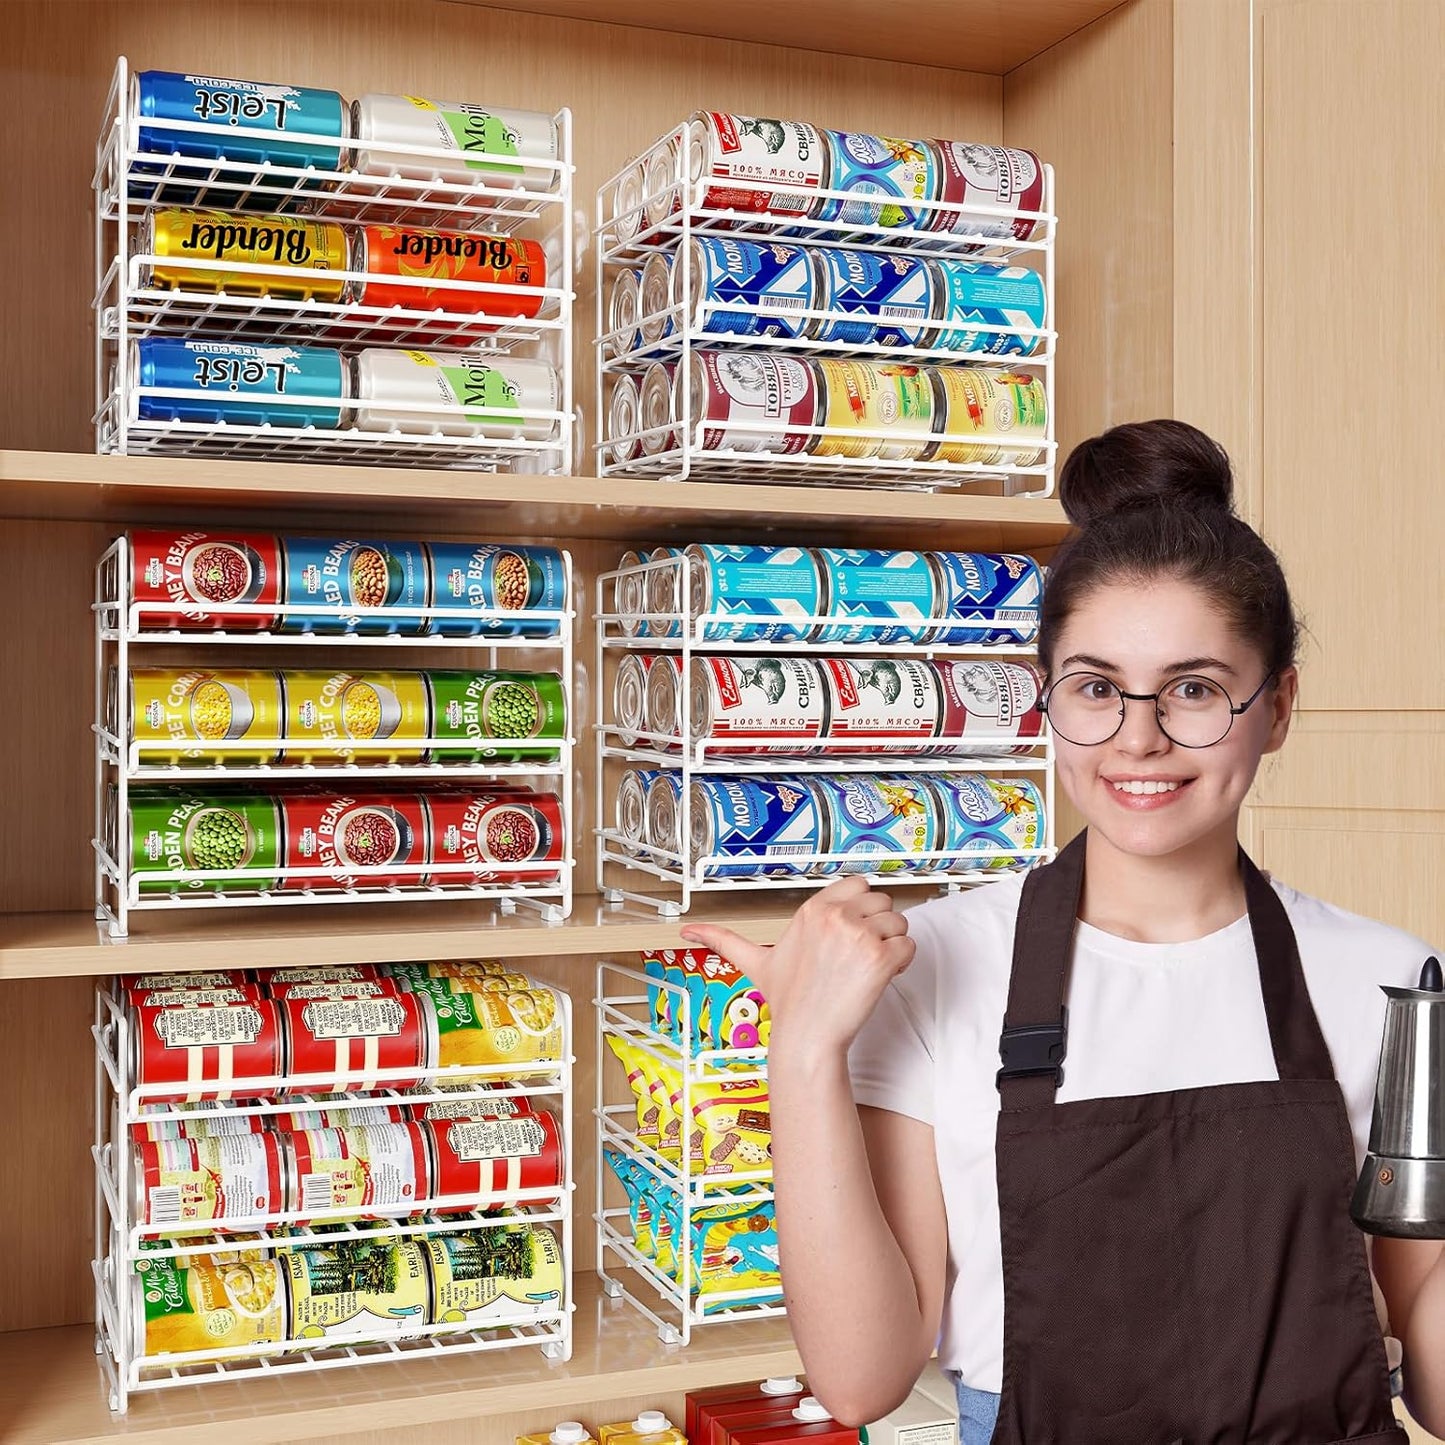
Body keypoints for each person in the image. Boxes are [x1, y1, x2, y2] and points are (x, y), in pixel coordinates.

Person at [681, 420, 1445, 1444]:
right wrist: (803, 1048)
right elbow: (859, 1379)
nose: (1137, 736)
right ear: (1047, 702)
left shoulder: (1387, 980)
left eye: (1194, 689)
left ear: (1277, 706)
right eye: (1094, 687)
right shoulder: (937, 966)